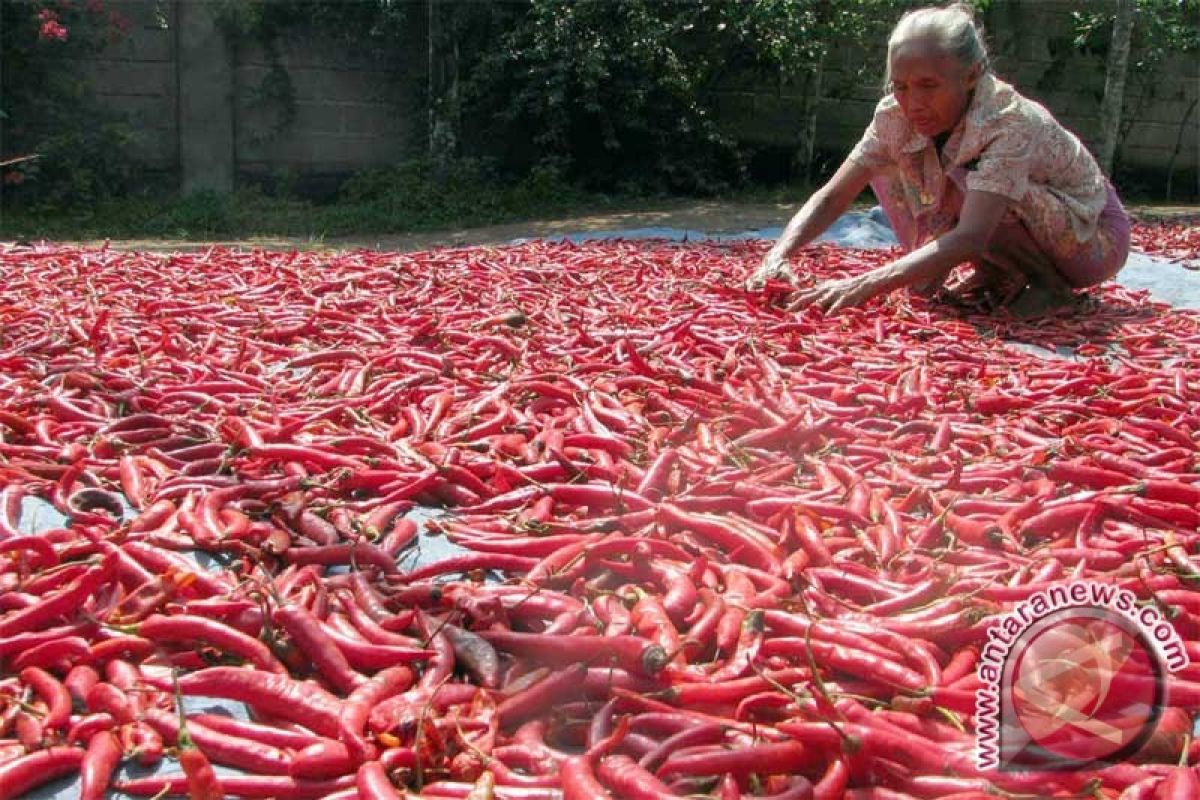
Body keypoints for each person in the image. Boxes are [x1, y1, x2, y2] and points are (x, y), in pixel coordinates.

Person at [748, 2, 1131, 316]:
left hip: (1092, 236)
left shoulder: (1009, 121)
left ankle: (1051, 287)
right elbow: (834, 195)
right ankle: (999, 277)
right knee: (888, 165)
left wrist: (864, 283)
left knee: (974, 181)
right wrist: (776, 255)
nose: (913, 103)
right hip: (1019, 221)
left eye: (929, 86)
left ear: (972, 75)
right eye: (900, 87)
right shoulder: (893, 117)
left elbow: (972, 235)